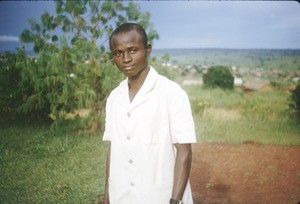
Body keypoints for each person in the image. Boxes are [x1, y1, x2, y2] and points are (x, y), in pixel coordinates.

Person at [103, 22, 197, 204]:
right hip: (121, 196)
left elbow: (184, 153)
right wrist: (107, 196)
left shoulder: (172, 93)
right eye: (118, 53)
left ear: (147, 49)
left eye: (132, 50)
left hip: (160, 196)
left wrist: (175, 201)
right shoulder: (115, 98)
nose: (126, 58)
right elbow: (113, 149)